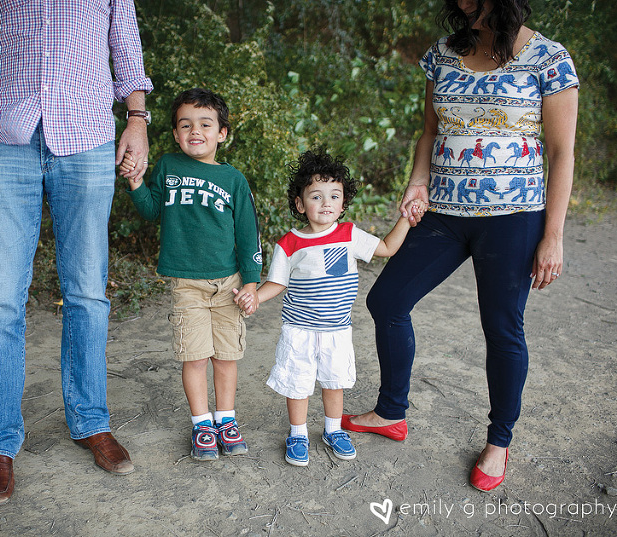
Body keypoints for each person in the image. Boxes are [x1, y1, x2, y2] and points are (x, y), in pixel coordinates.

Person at [341, 0, 578, 492]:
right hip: (444, 213)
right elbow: (430, 132)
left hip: (513, 218)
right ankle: (391, 413)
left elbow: (561, 152)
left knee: (502, 328)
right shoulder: (443, 53)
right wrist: (417, 183)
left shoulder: (548, 58)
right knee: (387, 300)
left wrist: (552, 234)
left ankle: (499, 440)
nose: (464, 4)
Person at [0, 0, 153, 505]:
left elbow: (124, 38)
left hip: (86, 136)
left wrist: (137, 118)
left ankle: (90, 422)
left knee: (87, 293)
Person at [235, 148, 426, 467]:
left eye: (334, 196)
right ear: (300, 203)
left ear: (343, 203)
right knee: (297, 384)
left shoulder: (349, 234)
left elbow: (387, 248)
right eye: (316, 196)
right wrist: (255, 296)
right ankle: (297, 434)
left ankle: (333, 429)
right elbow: (277, 283)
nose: (326, 203)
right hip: (299, 330)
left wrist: (406, 219)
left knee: (333, 381)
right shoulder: (289, 243)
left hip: (337, 330)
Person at [125, 88, 262, 461]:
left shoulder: (233, 179)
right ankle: (202, 423)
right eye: (185, 125)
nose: (195, 131)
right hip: (186, 284)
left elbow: (248, 231)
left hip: (229, 283)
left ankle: (226, 420)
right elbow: (152, 211)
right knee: (195, 357)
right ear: (174, 134)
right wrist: (137, 184)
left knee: (227, 356)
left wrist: (251, 281)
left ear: (222, 133)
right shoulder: (168, 166)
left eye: (205, 124)